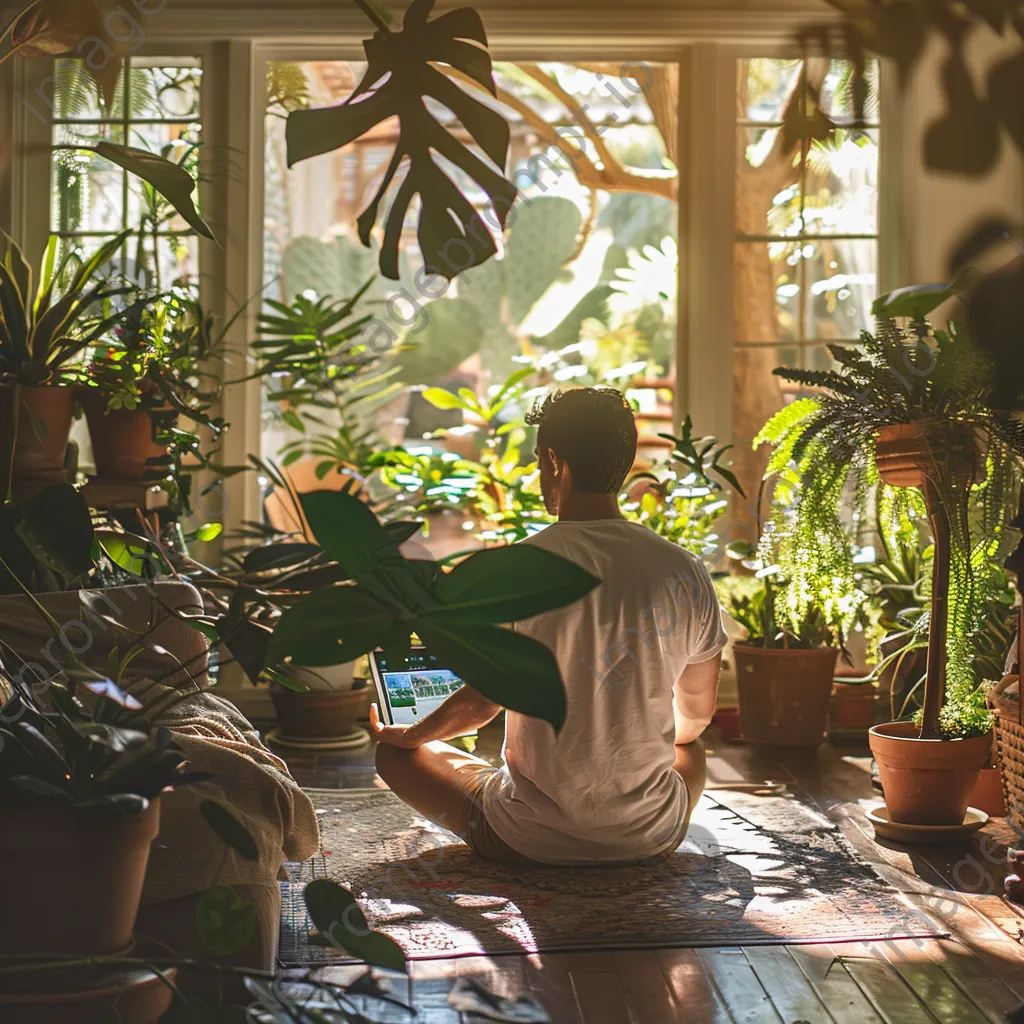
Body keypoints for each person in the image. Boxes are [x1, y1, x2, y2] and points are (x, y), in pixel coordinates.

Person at [372, 387, 727, 866]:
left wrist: (409, 737)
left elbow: (480, 704)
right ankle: (627, 832)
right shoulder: (685, 569)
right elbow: (695, 719)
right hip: (650, 835)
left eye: (541, 458)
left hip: (527, 839)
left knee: (393, 756)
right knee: (692, 748)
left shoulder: (518, 567)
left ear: (555, 461)